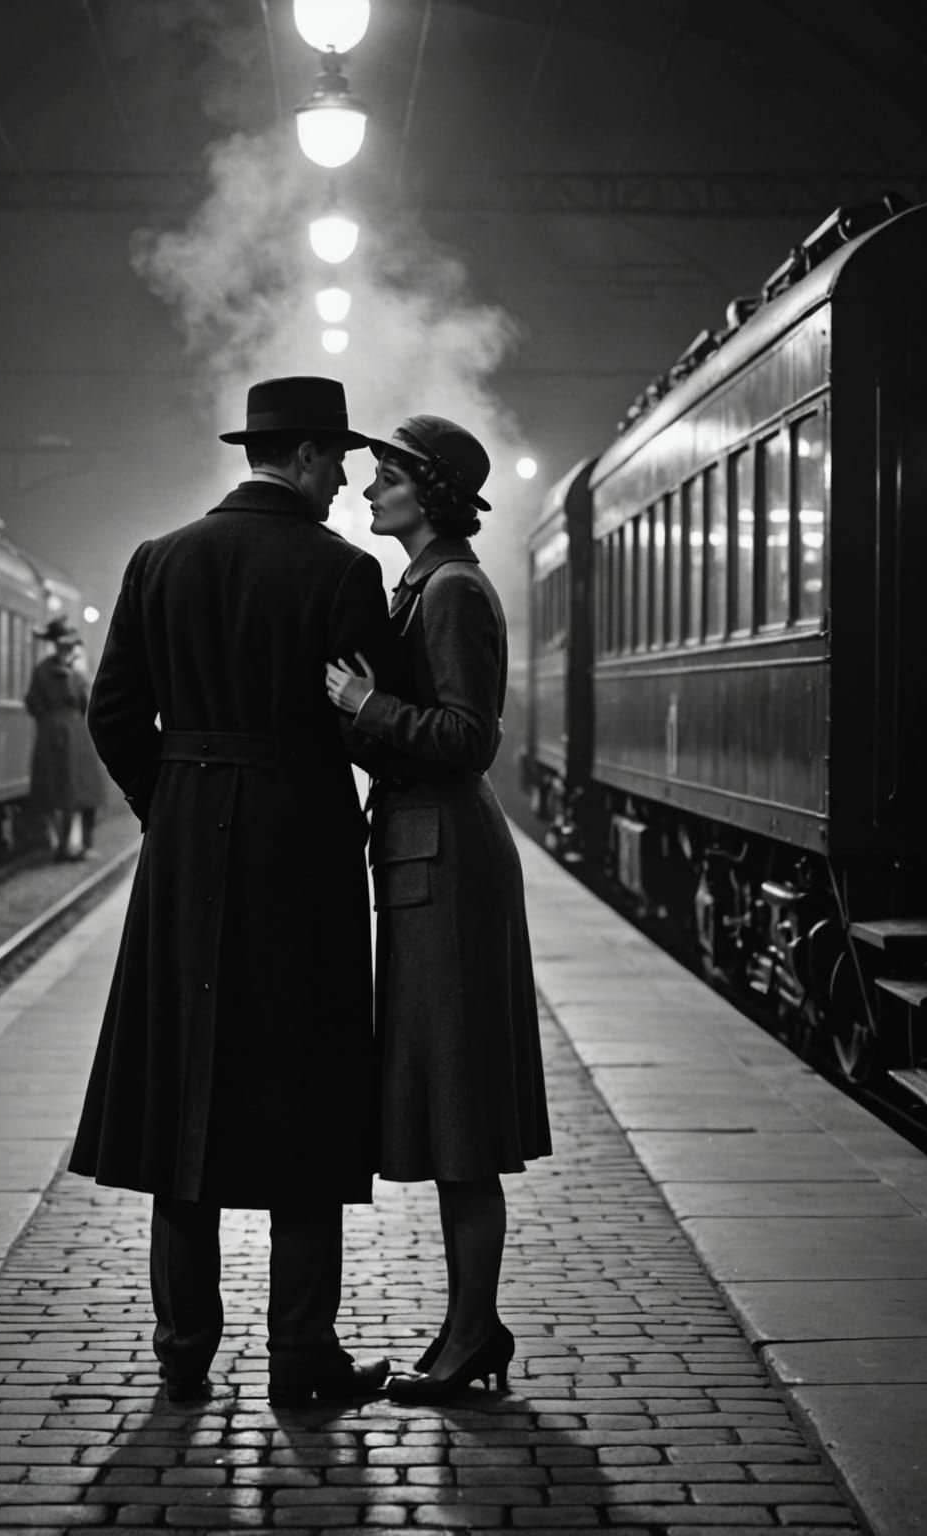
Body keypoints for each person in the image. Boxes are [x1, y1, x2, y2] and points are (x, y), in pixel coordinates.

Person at [70, 376, 397, 1406]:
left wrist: (168, 804)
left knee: (184, 1093)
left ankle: (183, 1352)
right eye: (335, 460)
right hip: (301, 851)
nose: (343, 481)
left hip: (185, 854)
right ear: (301, 457)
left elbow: (112, 713)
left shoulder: (158, 559)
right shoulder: (344, 571)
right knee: (307, 1088)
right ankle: (301, 1356)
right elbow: (370, 726)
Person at [325, 414, 553, 1404]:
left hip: (448, 862)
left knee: (461, 1111)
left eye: (387, 477)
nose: (369, 490)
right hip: (430, 855)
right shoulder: (422, 585)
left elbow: (468, 736)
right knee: (451, 1106)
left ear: (434, 493)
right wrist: (360, 714)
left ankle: (472, 1334)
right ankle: (469, 1328)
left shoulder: (452, 589)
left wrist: (363, 706)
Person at [25, 617, 107, 860]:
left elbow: (32, 703)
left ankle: (65, 844)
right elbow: (85, 704)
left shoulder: (42, 671)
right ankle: (74, 845)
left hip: (53, 732)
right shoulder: (76, 674)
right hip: (74, 731)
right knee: (78, 788)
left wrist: (48, 718)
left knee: (60, 789)